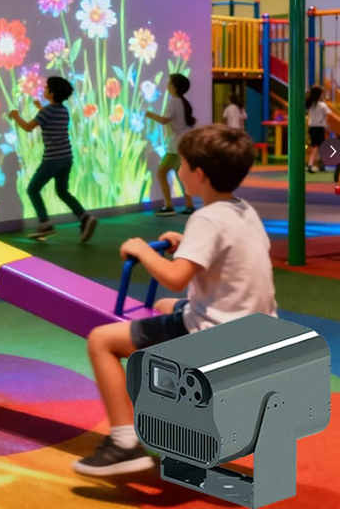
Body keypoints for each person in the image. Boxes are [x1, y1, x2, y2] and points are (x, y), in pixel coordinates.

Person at [73, 124, 277, 477]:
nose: (178, 170)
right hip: (255, 327)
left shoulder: (205, 217)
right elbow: (228, 256)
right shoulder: (243, 210)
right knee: (166, 305)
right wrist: (186, 245)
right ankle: (171, 399)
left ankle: (124, 443)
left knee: (101, 340)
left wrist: (142, 250)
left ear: (199, 174)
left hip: (217, 335)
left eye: (182, 164)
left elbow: (175, 277)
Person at [8, 76, 96, 242]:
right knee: (62, 191)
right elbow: (49, 118)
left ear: (53, 93)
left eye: (47, 87)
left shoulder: (47, 112)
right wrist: (40, 108)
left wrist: (15, 115)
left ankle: (45, 224)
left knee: (33, 189)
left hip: (52, 159)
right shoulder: (63, 110)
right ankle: (85, 217)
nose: (44, 89)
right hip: (66, 157)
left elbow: (28, 127)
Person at [145, 73, 196, 216]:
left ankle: (168, 206)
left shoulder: (173, 101)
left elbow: (164, 120)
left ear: (174, 87)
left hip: (176, 146)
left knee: (161, 172)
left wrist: (149, 114)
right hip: (182, 143)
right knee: (181, 175)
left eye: (169, 83)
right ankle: (189, 205)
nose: (167, 85)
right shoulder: (182, 101)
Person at [306, 84, 329, 173]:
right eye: (322, 94)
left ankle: (319, 164)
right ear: (319, 95)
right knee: (316, 147)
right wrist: (327, 126)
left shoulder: (310, 105)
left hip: (312, 128)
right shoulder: (322, 105)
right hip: (319, 128)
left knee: (316, 146)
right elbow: (328, 114)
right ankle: (311, 164)